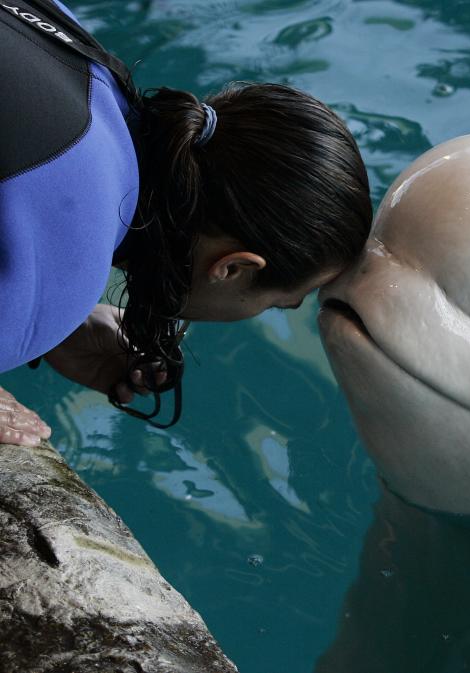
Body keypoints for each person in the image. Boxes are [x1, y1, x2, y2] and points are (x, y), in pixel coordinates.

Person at [0, 0, 372, 444]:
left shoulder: (87, 64)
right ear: (233, 268)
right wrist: (35, 314)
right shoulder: (55, 284)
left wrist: (55, 322)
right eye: (280, 301)